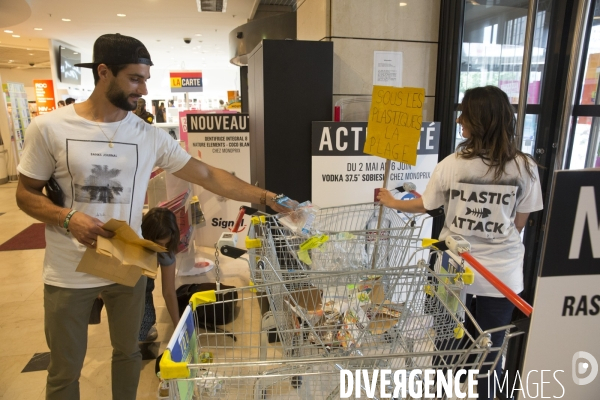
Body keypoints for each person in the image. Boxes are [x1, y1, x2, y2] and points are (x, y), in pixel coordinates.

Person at [15, 33, 293, 400]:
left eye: (146, 78)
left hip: (126, 263)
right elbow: (24, 194)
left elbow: (208, 175)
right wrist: (68, 218)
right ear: (103, 72)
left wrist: (267, 197)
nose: (143, 89)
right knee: (66, 368)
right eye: (135, 78)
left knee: (128, 353)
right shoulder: (49, 128)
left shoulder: (147, 135)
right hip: (68, 269)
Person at [377, 85, 543, 400]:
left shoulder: (451, 165)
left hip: (452, 273)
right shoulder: (525, 167)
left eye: (463, 114)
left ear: (478, 120)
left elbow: (426, 205)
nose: (458, 121)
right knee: (490, 355)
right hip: (501, 276)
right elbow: (520, 222)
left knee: (446, 349)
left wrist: (392, 201)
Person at [139, 207, 180, 342]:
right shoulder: (133, 239)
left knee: (143, 330)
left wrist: (177, 326)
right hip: (123, 287)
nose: (162, 247)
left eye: (166, 243)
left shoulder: (165, 251)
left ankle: (145, 327)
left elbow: (169, 291)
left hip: (144, 289)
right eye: (158, 244)